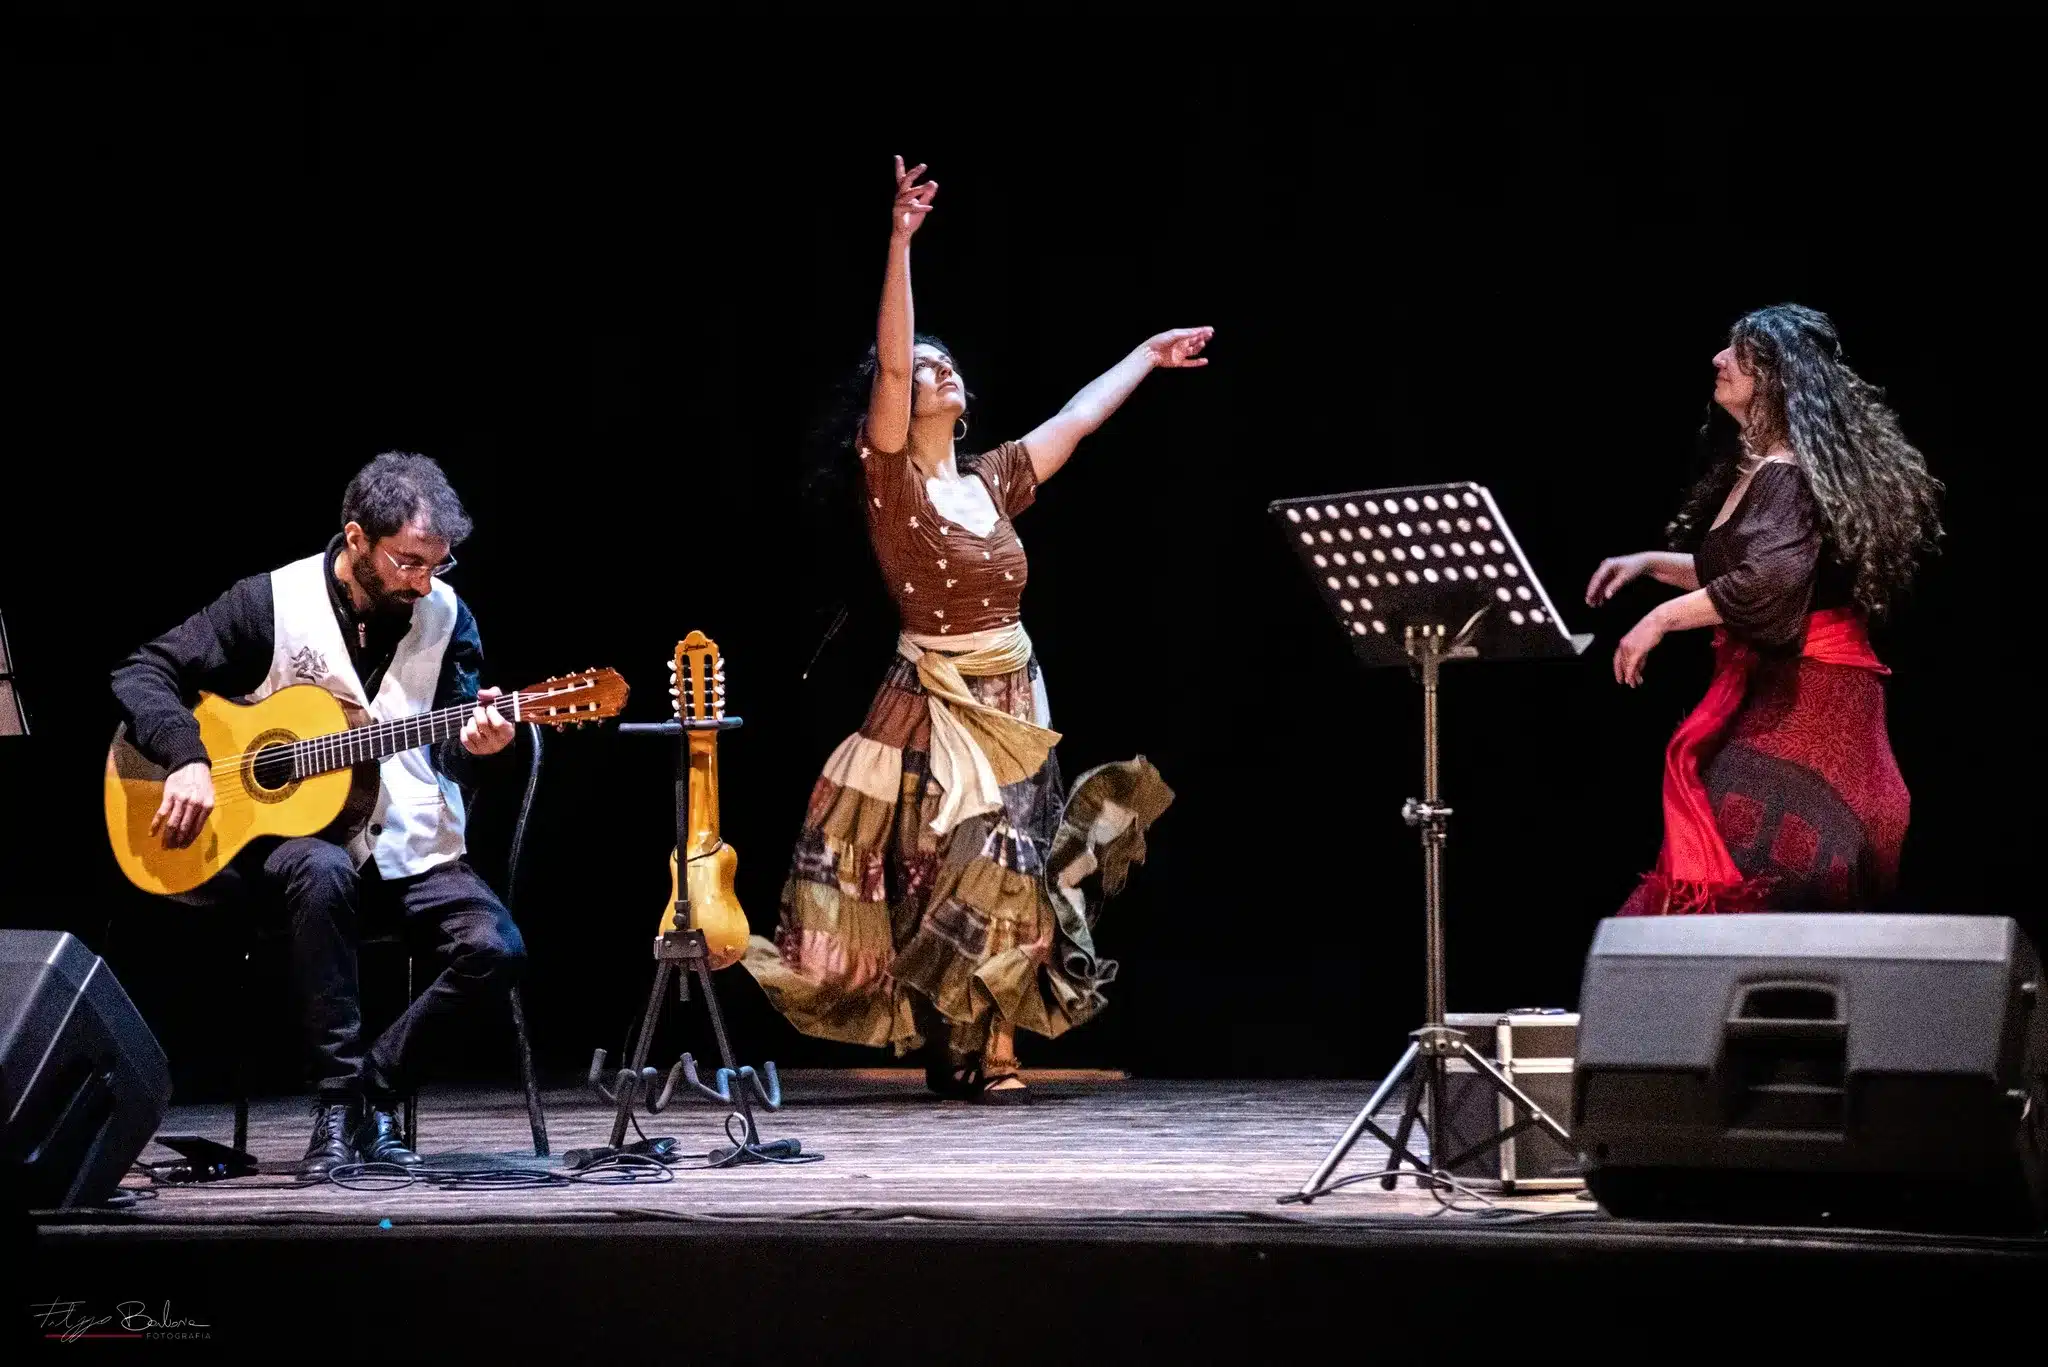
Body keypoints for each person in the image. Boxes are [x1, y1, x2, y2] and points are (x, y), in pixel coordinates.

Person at [742, 157, 1198, 1102]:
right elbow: (892, 358)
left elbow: (1077, 419)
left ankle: (995, 1044)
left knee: (1013, 868)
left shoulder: (991, 480)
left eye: (948, 365)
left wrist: (1146, 358)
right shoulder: (892, 485)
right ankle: (950, 1037)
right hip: (933, 700)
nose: (938, 372)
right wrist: (900, 243)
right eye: (924, 370)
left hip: (1013, 697)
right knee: (944, 866)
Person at [110, 452, 524, 1175]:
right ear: (357, 538)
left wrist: (478, 745)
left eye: (437, 565)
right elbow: (144, 670)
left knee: (496, 948)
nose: (423, 582)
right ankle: (335, 1104)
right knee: (322, 869)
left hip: (410, 845)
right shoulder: (271, 600)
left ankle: (370, 1091)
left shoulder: (449, 616)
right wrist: (186, 757)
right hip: (294, 851)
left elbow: (453, 746)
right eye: (408, 562)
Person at [1587, 304, 1942, 916]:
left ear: (1775, 377)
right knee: (1728, 893)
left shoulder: (1786, 474)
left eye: (1739, 353)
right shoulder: (1771, 469)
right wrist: (1650, 563)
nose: (1718, 359)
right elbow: (1745, 574)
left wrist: (1660, 618)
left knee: (1740, 889)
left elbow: (1769, 586)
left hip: (1814, 711)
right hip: (1795, 701)